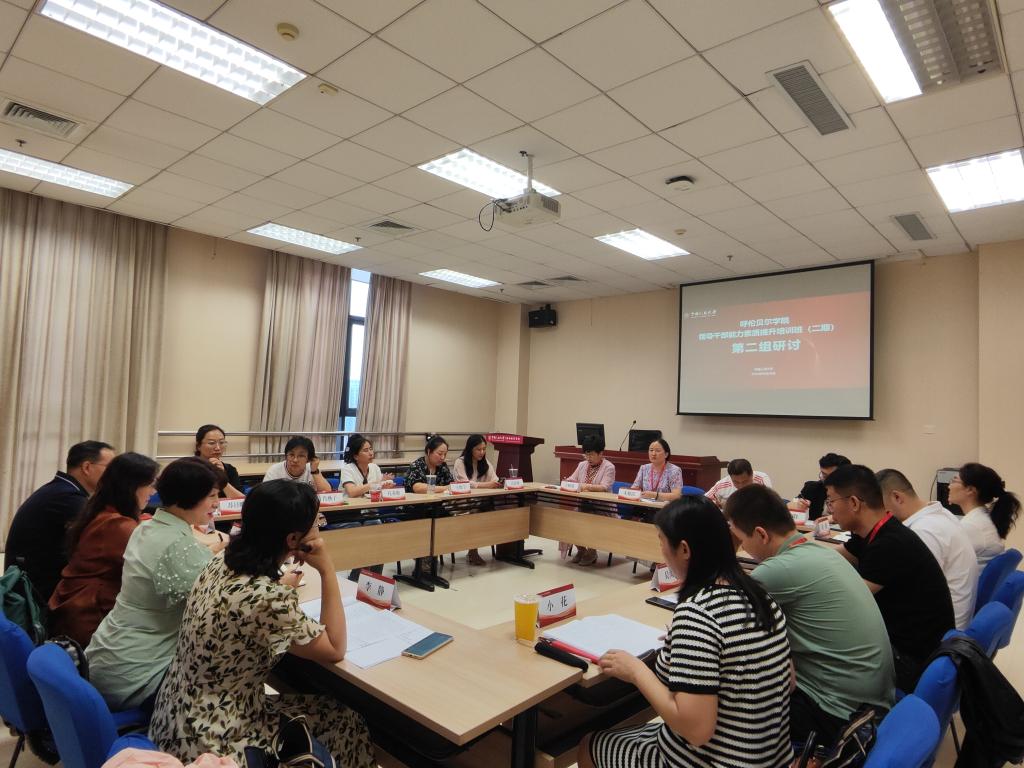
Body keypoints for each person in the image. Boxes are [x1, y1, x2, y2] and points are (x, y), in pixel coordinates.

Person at [149, 481, 374, 768]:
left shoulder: (222, 559)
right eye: (315, 522)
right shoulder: (269, 598)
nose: (319, 526)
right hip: (214, 737)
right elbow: (334, 647)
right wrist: (327, 569)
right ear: (293, 539)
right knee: (345, 721)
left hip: (174, 714)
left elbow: (249, 606)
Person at [579, 495, 792, 768]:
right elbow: (788, 679)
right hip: (769, 757)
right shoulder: (761, 598)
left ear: (684, 549)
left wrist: (636, 671)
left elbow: (696, 731)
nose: (661, 550)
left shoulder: (698, 613)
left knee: (589, 745)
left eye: (661, 541)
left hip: (713, 760)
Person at [726, 485, 894, 746]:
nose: (743, 548)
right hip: (874, 701)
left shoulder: (777, 570)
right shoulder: (819, 551)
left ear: (761, 534)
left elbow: (722, 618)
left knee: (727, 700)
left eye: (741, 540)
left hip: (841, 716)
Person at [86, 457, 224, 711]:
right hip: (138, 674)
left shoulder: (146, 528)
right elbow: (220, 608)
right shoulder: (179, 546)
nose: (217, 503)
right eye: (212, 495)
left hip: (108, 656)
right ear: (189, 496)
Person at [825, 464, 954, 691]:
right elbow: (831, 558)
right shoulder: (876, 531)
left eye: (831, 502)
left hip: (911, 659)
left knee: (817, 650)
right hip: (912, 644)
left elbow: (846, 604)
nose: (830, 511)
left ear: (854, 503)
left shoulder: (890, 544)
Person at [48, 452, 160, 646]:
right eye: (150, 484)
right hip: (90, 619)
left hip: (72, 610)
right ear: (131, 486)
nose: (153, 492)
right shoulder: (118, 525)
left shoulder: (102, 511)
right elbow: (155, 568)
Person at [4, 440, 115, 601]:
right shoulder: (67, 498)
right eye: (110, 468)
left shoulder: (61, 489)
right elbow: (100, 539)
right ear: (87, 467)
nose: (113, 476)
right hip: (35, 594)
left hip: (32, 583)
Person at [876, 468, 979, 630]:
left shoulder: (923, 531)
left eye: (882, 508)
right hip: (952, 616)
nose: (881, 515)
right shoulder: (941, 513)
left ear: (897, 497)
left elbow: (911, 589)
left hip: (942, 629)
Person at [404, 435, 454, 588]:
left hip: (435, 508)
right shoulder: (417, 465)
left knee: (448, 520)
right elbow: (417, 487)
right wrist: (443, 488)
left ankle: (430, 564)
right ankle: (421, 566)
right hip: (414, 510)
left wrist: (444, 488)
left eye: (445, 454)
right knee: (427, 521)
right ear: (428, 451)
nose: (442, 457)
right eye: (439, 453)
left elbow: (451, 484)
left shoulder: (442, 467)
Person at [947, 462, 1021, 565]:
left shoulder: (972, 526)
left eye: (954, 480)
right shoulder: (983, 518)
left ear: (970, 490)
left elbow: (943, 559)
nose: (949, 486)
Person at [563, 434, 617, 567]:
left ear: (601, 453)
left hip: (602, 509)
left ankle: (592, 552)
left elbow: (604, 487)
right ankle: (582, 550)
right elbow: (572, 479)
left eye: (591, 454)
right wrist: (567, 481)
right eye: (586, 454)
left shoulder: (609, 467)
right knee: (567, 521)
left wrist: (584, 486)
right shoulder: (582, 465)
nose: (588, 458)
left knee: (590, 521)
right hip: (583, 506)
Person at [452, 434, 501, 566]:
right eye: (478, 449)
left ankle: (505, 549)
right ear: (470, 449)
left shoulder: (485, 462)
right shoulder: (460, 462)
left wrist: (497, 483)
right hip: (463, 503)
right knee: (476, 514)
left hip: (481, 502)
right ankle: (473, 552)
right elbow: (464, 483)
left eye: (484, 449)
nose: (482, 452)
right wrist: (485, 485)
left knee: (501, 512)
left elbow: (494, 479)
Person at [787, 453, 851, 520]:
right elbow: (789, 506)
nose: (823, 478)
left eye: (828, 476)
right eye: (823, 474)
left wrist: (833, 518)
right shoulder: (813, 488)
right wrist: (797, 505)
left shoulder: (852, 491)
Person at [263, 436, 330, 493]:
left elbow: (327, 492)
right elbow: (264, 494)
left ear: (308, 459)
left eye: (301, 456)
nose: (295, 460)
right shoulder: (274, 471)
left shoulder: (312, 469)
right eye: (291, 455)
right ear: (286, 456)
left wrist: (315, 472)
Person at [194, 424, 244, 498]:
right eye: (211, 443)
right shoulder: (187, 468)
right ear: (198, 446)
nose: (218, 448)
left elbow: (240, 500)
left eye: (221, 442)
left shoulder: (229, 469)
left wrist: (221, 477)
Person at [630, 438, 683, 503]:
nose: (653, 453)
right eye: (651, 450)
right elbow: (634, 489)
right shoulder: (644, 468)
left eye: (657, 451)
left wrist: (655, 495)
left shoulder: (674, 470)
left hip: (665, 507)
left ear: (666, 454)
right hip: (644, 506)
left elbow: (676, 496)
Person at [705, 458, 772, 508]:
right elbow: (704, 501)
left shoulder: (761, 479)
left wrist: (730, 505)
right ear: (730, 477)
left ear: (751, 474)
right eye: (736, 482)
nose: (741, 486)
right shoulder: (722, 484)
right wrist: (715, 504)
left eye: (745, 481)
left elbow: (769, 503)